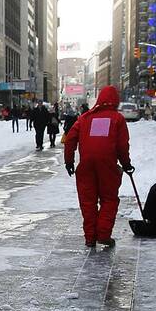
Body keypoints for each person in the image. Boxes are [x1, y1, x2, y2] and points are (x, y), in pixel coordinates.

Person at [62, 85, 132, 249]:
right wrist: (126, 164)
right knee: (109, 199)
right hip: (107, 165)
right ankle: (103, 234)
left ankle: (90, 238)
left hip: (86, 166)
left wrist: (69, 161)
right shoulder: (117, 119)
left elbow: (70, 139)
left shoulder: (85, 118)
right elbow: (122, 146)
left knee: (88, 202)